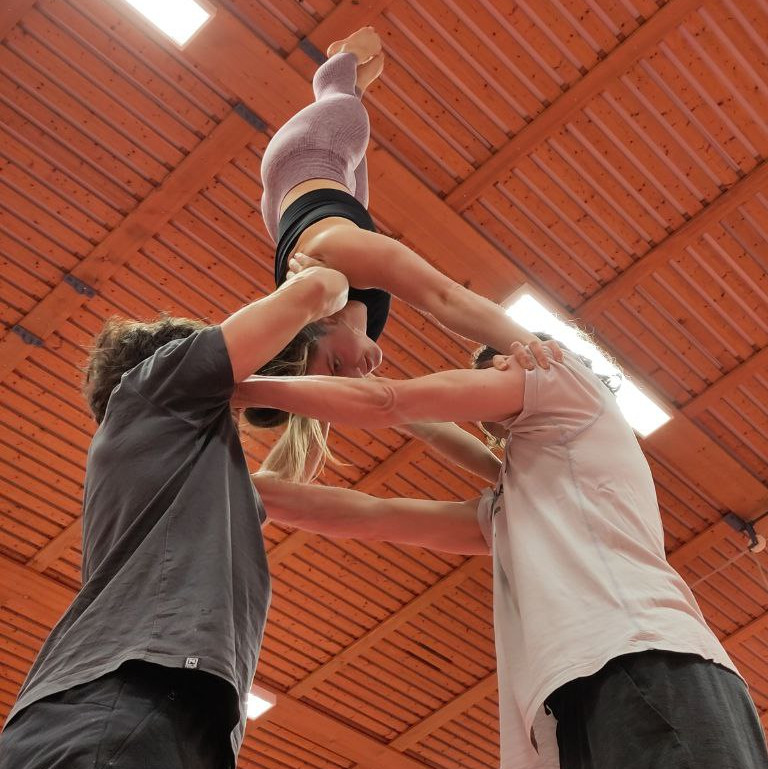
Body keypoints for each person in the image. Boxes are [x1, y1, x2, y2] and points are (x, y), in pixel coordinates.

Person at [235, 340, 768, 769]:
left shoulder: (574, 395)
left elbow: (395, 400)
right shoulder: (520, 501)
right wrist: (230, 482)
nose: (493, 378)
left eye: (499, 364)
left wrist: (235, 383)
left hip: (647, 656)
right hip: (582, 693)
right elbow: (369, 514)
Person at [0, 266, 349, 769]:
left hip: (137, 710)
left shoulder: (200, 478)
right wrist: (332, 285)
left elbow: (290, 470)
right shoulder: (153, 386)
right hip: (128, 697)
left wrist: (329, 379)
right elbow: (314, 292)